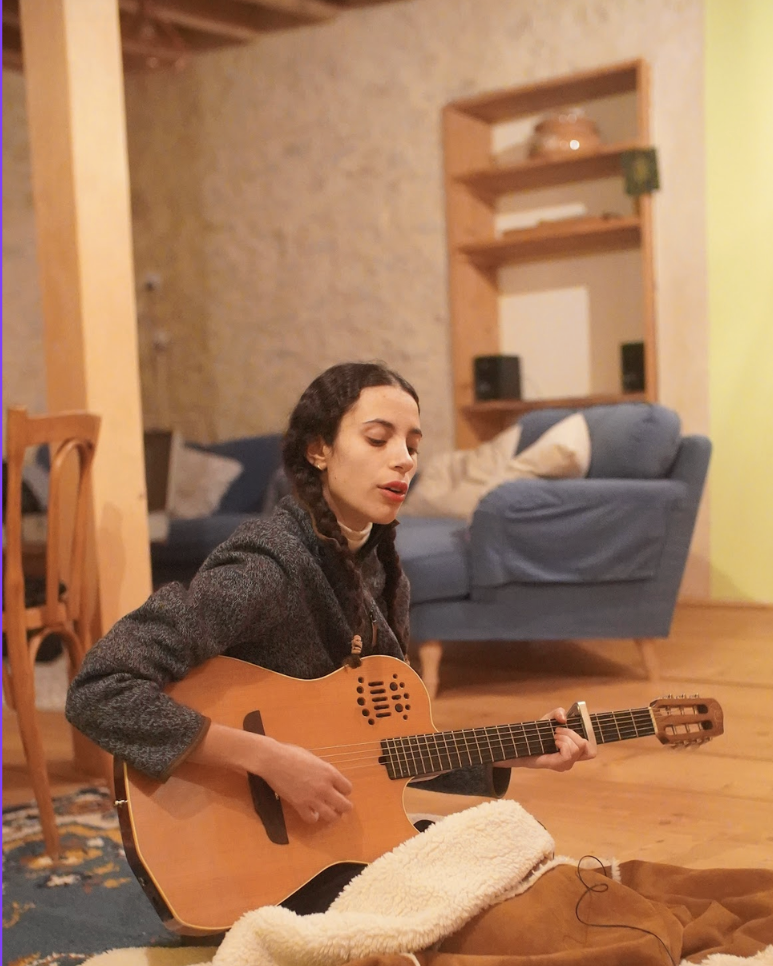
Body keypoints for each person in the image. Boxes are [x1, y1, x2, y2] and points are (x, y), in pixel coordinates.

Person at [66, 362, 594, 867]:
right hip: (246, 855)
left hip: (326, 833)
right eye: (378, 438)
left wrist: (510, 753)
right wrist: (268, 759)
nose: (405, 459)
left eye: (412, 445)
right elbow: (100, 687)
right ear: (319, 450)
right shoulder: (268, 563)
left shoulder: (385, 575)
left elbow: (381, 752)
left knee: (521, 844)